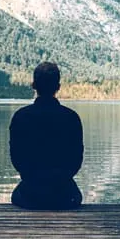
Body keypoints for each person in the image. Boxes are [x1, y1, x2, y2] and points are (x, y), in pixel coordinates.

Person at [9, 62, 84, 210]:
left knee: (17, 195)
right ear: (58, 87)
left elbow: (16, 159)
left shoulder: (20, 117)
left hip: (29, 195)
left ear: (33, 85)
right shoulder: (71, 118)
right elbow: (76, 160)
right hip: (65, 195)